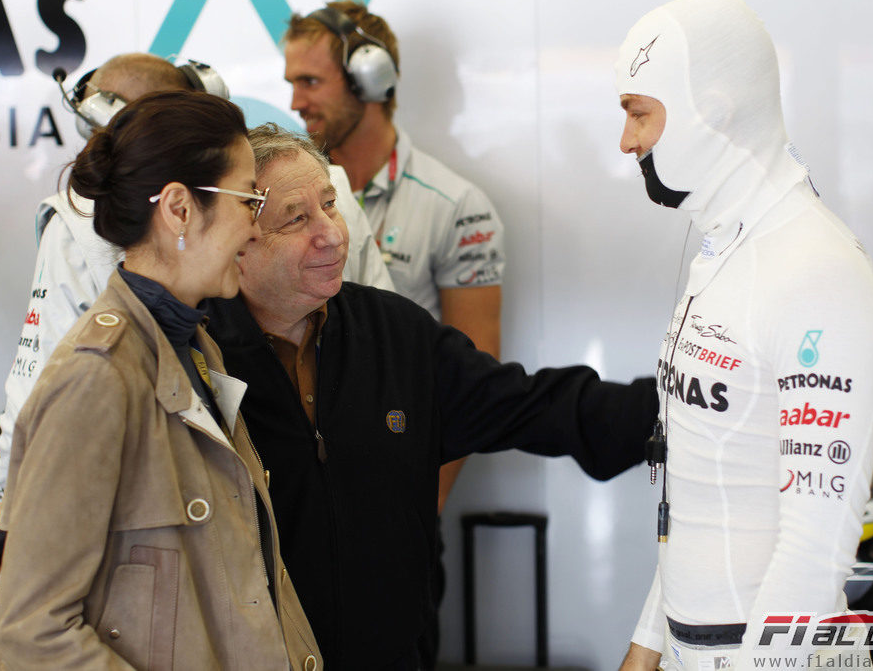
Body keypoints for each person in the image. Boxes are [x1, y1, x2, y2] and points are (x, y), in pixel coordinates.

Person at [201, 124, 660, 670]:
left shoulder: (395, 333)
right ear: (239, 241)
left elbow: (533, 405)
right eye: (297, 219)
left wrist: (678, 408)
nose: (332, 234)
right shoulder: (196, 358)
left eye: (330, 204)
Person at [0, 51, 393, 585]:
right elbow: (42, 625)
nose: (254, 228)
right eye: (250, 202)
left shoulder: (199, 335)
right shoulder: (96, 360)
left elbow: (383, 359)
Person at [0, 91, 322, 670]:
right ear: (179, 209)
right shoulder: (96, 378)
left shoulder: (194, 347)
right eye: (248, 199)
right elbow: (31, 636)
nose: (254, 225)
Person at [613, 0, 873, 670]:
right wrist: (647, 646)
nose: (626, 141)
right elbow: (700, 489)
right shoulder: (722, 250)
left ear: (710, 111)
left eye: (639, 113)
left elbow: (815, 546)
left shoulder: (815, 269)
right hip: (692, 648)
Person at [284, 2, 503, 663]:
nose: (293, 100)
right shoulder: (269, 197)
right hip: (298, 515)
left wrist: (409, 511)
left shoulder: (454, 207)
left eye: (310, 82)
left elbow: (472, 382)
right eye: (290, 81)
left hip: (393, 519)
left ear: (370, 81)